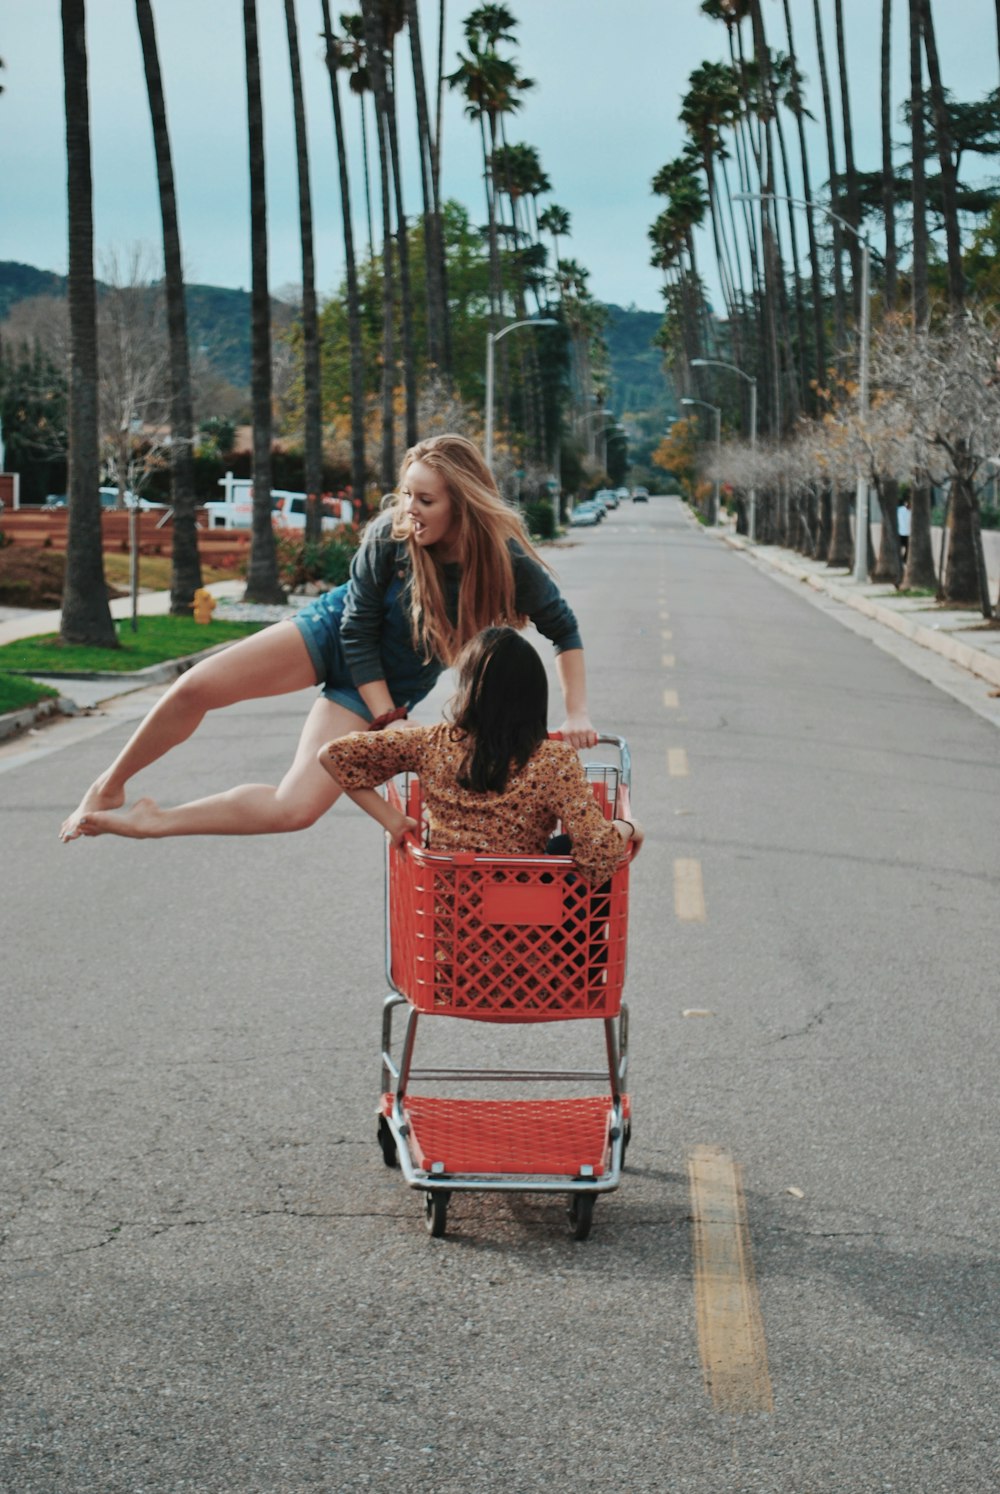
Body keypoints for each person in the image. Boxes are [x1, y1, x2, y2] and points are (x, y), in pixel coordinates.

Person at [60, 434, 598, 842]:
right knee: (195, 687)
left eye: (426, 500)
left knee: (295, 809)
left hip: (386, 685)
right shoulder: (390, 537)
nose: (410, 508)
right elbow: (357, 630)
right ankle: (112, 783)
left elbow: (563, 630)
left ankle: (156, 821)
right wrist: (387, 720)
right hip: (329, 637)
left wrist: (577, 714)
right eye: (407, 493)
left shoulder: (507, 562)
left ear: (463, 501)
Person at [318, 626, 643, 883]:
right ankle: (581, 969)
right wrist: (626, 827)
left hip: (444, 921)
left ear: (468, 688)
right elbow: (596, 851)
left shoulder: (431, 743)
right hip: (526, 926)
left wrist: (394, 821)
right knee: (564, 852)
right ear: (533, 695)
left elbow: (333, 755)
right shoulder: (554, 761)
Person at [897, 496, 911, 565]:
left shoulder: (912, 511)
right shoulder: (900, 510)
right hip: (900, 532)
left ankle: (904, 559)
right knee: (899, 547)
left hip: (908, 533)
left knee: (908, 547)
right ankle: (900, 559)